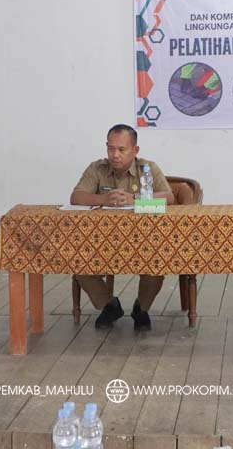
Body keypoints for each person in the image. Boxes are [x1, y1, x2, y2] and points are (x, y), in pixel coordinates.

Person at [70, 124, 175, 331]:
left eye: (121, 149)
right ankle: (109, 305)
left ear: (135, 150)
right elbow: (76, 197)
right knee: (78, 262)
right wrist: (104, 199)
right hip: (102, 240)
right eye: (111, 148)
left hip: (144, 239)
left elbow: (168, 197)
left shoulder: (147, 168)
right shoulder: (97, 169)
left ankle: (141, 309)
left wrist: (135, 199)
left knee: (156, 264)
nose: (115, 155)